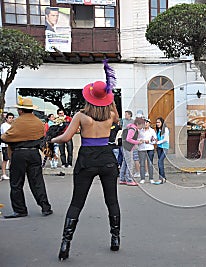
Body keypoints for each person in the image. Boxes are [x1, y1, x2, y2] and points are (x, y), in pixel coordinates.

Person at [50, 61, 121, 260]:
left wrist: (52, 139)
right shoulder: (111, 116)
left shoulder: (81, 116)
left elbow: (65, 138)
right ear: (105, 98)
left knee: (77, 202)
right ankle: (115, 239)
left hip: (87, 160)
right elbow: (115, 115)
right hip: (107, 158)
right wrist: (110, 99)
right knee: (112, 200)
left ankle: (65, 243)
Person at [1, 97, 53, 219]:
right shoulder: (39, 123)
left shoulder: (17, 123)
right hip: (34, 154)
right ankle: (45, 207)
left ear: (21, 110)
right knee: (37, 182)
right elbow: (42, 137)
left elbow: (6, 137)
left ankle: (20, 210)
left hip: (19, 154)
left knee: (16, 183)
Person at [119, 117, 145, 186]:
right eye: (141, 125)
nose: (141, 127)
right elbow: (128, 139)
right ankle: (129, 179)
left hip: (126, 147)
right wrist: (138, 142)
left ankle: (122, 179)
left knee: (125, 163)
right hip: (128, 147)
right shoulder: (133, 129)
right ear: (137, 124)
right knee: (130, 163)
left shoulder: (131, 127)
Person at [138, 118, 157, 184]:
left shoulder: (152, 131)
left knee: (150, 164)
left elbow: (155, 140)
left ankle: (151, 178)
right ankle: (142, 178)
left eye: (147, 122)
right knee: (142, 163)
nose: (145, 124)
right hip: (141, 148)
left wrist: (149, 141)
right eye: (144, 122)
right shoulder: (140, 131)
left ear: (149, 123)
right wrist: (140, 141)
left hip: (150, 148)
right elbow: (136, 139)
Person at [155, 117, 169, 184]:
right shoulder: (158, 130)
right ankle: (162, 178)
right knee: (160, 163)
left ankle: (162, 178)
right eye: (157, 122)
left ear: (162, 123)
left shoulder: (165, 129)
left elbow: (165, 139)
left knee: (160, 161)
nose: (157, 124)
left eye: (159, 122)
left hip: (165, 147)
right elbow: (156, 138)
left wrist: (158, 142)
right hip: (159, 148)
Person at [1, 112, 14, 181]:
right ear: (6, 119)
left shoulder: (13, 125)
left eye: (12, 118)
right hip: (5, 145)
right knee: (5, 159)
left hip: (12, 144)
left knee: (12, 159)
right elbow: (6, 134)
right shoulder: (4, 125)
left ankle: (11, 173)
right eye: (9, 118)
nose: (11, 119)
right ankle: (3, 174)